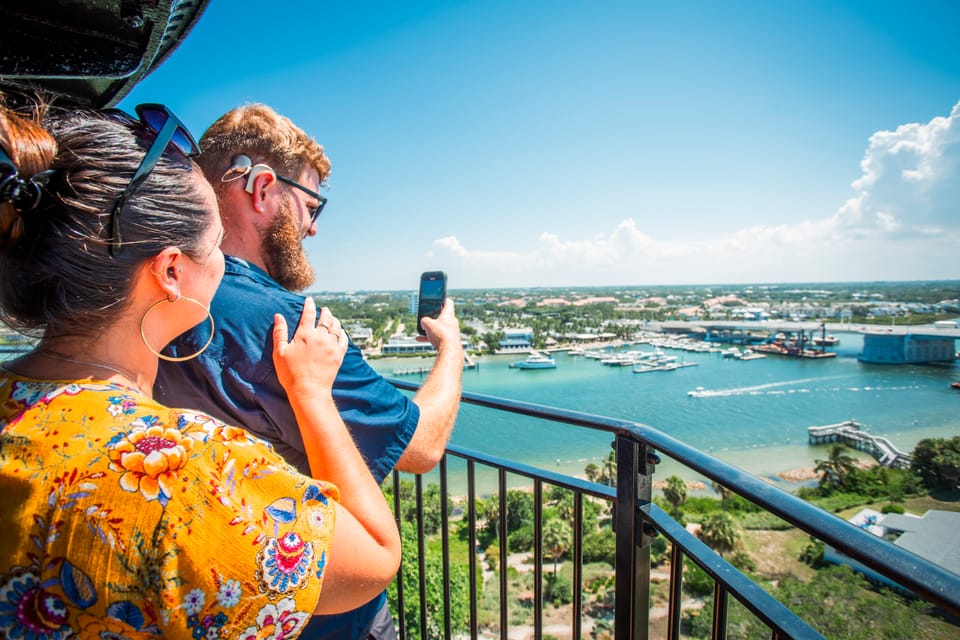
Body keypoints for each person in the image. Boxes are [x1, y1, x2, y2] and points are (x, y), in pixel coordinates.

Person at [0, 99, 400, 638]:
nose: (224, 268)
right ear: (170, 271)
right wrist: (310, 392)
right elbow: (375, 561)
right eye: (214, 247)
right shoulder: (182, 471)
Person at [155, 104, 464, 639]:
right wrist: (452, 352)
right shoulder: (288, 326)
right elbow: (423, 447)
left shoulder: (160, 294)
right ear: (263, 189)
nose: (314, 228)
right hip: (325, 613)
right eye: (311, 205)